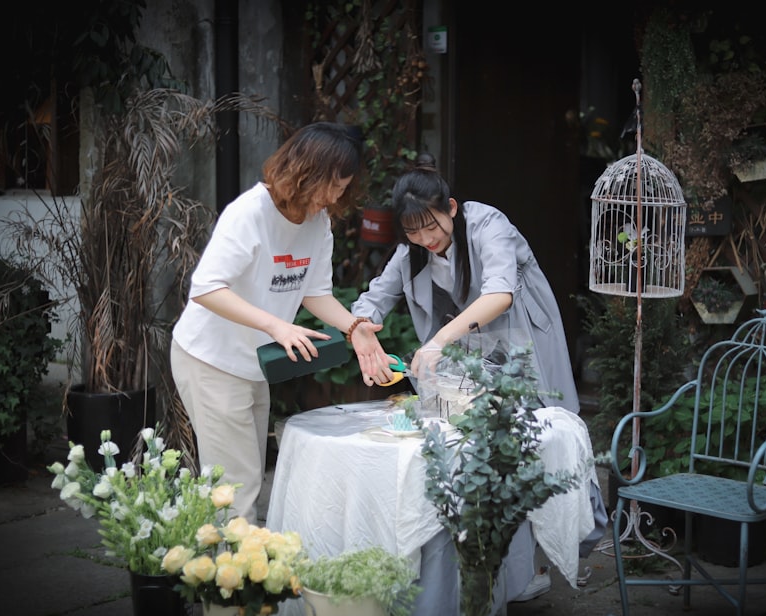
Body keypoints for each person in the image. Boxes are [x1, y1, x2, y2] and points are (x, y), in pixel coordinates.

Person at [171, 122, 393, 524]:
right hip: (210, 360)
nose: (332, 198)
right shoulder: (249, 214)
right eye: (328, 186)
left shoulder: (317, 222)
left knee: (246, 476)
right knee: (235, 488)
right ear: (303, 171)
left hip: (251, 362)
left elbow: (315, 293)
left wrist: (355, 327)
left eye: (341, 189)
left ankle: (233, 573)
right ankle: (232, 579)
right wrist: (277, 326)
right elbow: (205, 288)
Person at [351, 153, 579, 413]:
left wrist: (440, 341)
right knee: (475, 419)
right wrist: (361, 331)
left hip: (520, 329)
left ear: (451, 208)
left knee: (538, 414)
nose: (425, 239)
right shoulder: (410, 252)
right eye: (412, 232)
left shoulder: (488, 224)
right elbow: (374, 299)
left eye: (430, 227)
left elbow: (500, 294)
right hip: (473, 346)